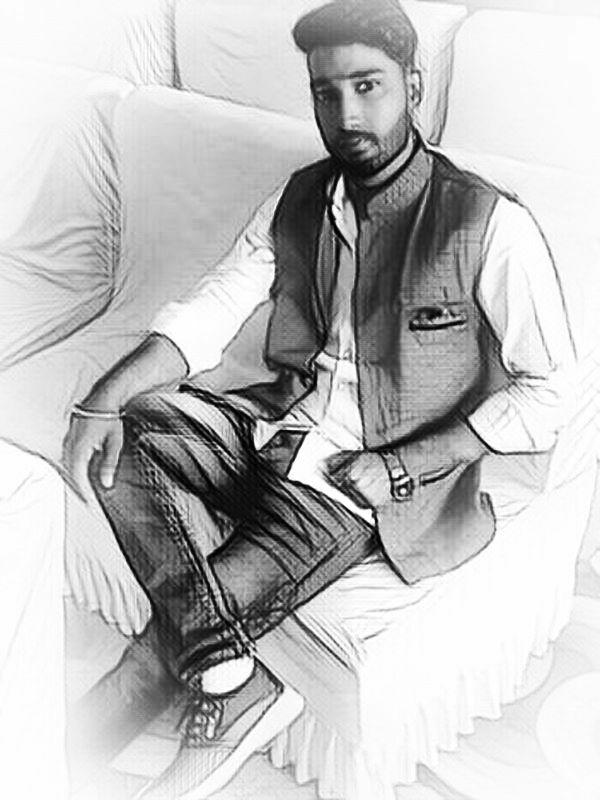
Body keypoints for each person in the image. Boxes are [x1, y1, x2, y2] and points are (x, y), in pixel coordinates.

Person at [63, 0, 576, 797]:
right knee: (135, 424)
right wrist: (102, 397)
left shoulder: (488, 224)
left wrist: (402, 466)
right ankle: (224, 669)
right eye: (325, 93)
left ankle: (68, 763)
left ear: (412, 86)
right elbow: (215, 305)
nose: (346, 115)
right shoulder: (301, 197)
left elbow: (551, 393)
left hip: (355, 489)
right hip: (272, 430)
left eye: (368, 86)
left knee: (154, 652)